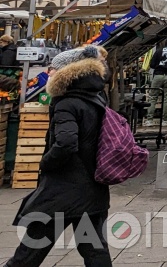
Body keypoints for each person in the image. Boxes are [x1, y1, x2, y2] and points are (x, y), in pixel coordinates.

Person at [7, 45, 112, 267]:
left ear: (67, 71)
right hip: (91, 188)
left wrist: (45, 162)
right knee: (94, 250)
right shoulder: (95, 96)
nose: (49, 72)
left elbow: (65, 143)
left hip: (63, 191)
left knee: (29, 252)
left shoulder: (66, 103)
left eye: (53, 68)